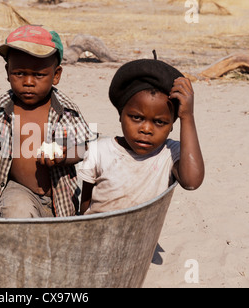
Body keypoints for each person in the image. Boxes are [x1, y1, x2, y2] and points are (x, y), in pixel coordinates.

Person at [0, 25, 97, 218]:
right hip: (17, 190)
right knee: (17, 212)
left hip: (60, 197)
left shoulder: (66, 111)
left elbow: (85, 147)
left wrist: (65, 156)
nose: (28, 82)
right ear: (8, 72)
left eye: (39, 75)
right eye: (19, 73)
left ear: (56, 75)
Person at [79, 56, 205, 215]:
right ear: (121, 114)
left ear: (172, 124)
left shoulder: (169, 154)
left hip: (144, 238)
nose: (146, 129)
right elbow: (85, 208)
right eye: (136, 118)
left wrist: (187, 116)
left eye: (159, 122)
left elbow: (191, 182)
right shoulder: (99, 151)